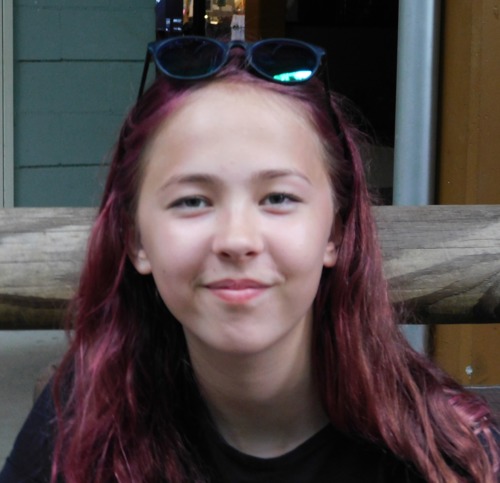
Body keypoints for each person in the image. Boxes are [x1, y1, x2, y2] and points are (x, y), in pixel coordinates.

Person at [1, 36, 499, 483]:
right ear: (136, 241)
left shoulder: (448, 454)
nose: (237, 240)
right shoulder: (76, 430)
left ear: (337, 231)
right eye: (192, 200)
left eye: (278, 197)